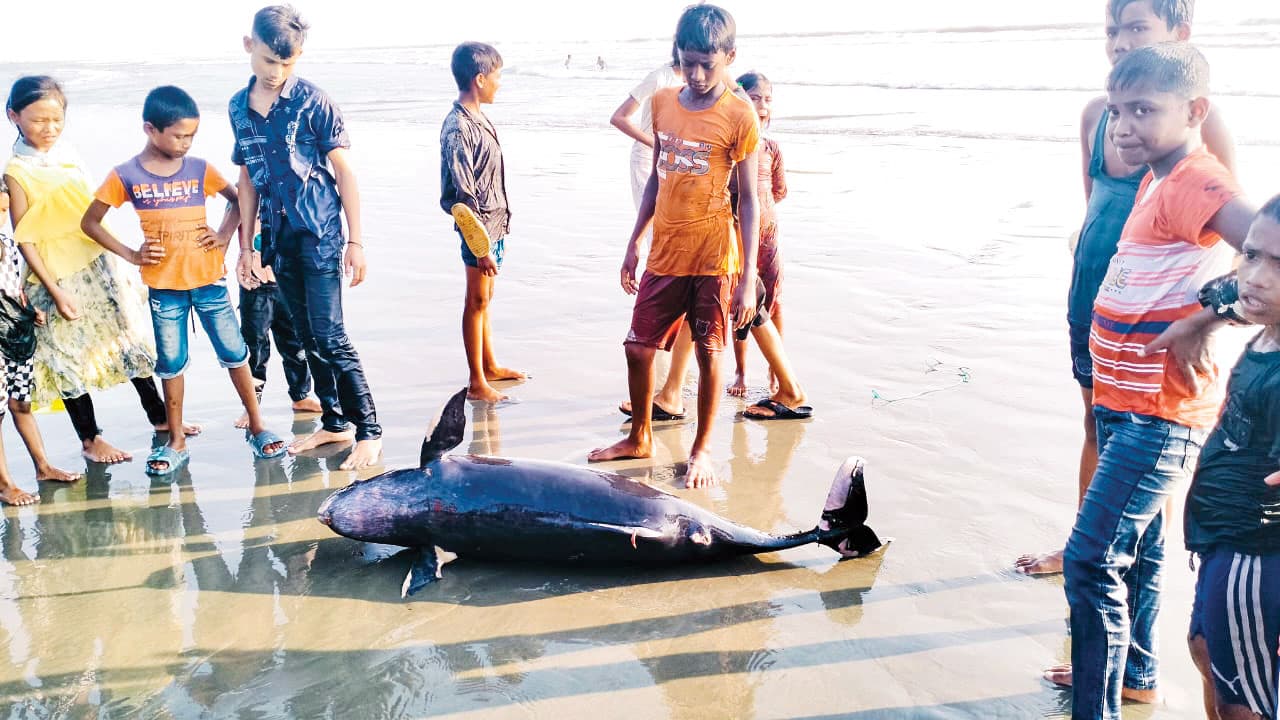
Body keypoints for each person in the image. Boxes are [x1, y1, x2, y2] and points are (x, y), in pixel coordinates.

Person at [1056, 43, 1255, 720]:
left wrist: (1212, 315)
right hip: (1123, 401)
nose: (1124, 127)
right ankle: (1137, 676)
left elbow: (1266, 248)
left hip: (1159, 411)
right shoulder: (1155, 178)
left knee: (1088, 561)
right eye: (1117, 112)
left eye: (1143, 110)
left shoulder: (1197, 179)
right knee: (1136, 556)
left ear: (1195, 110)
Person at [1017, 0, 1236, 577]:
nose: (1119, 42)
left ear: (1179, 33)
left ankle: (1115, 556)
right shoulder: (1098, 115)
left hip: (1163, 324)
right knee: (1097, 425)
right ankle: (1087, 543)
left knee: (1145, 446)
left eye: (1137, 27)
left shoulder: (1197, 125)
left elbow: (1237, 238)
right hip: (1095, 298)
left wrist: (1206, 318)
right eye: (1112, 30)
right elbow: (1096, 205)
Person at [588, 4, 761, 488]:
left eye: (709, 63)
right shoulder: (663, 103)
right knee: (638, 348)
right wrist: (634, 240)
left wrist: (747, 278)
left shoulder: (741, 115)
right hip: (665, 250)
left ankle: (702, 449)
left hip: (712, 258)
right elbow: (656, 179)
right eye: (689, 62)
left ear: (730, 56)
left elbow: (747, 200)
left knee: (709, 352)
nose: (699, 74)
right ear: (678, 58)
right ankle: (639, 435)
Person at [80, 85, 287, 474]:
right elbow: (90, 222)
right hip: (164, 286)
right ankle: (175, 440)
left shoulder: (200, 169)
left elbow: (239, 199)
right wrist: (131, 254)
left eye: (191, 135)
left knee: (235, 353)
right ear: (150, 129)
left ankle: (257, 425)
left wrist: (225, 237)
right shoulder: (125, 174)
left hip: (208, 280)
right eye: (178, 135)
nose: (186, 143)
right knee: (171, 363)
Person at [4, 75, 194, 465]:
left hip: (99, 264)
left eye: (56, 120)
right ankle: (90, 440)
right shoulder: (16, 170)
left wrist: (126, 256)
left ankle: (159, 417)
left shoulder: (69, 153)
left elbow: (93, 215)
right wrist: (55, 291)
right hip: (55, 275)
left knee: (129, 339)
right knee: (67, 358)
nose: (49, 129)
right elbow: (25, 238)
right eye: (39, 120)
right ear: (14, 117)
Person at [229, 5, 382, 470]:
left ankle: (368, 430)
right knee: (305, 337)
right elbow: (248, 180)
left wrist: (356, 242)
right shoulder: (238, 106)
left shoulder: (314, 101)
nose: (279, 72)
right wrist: (249, 246)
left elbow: (345, 172)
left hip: (320, 233)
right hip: (277, 239)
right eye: (272, 61)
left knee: (331, 335)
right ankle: (334, 424)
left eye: (289, 63)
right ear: (249, 46)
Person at [1182, 201, 1280, 720]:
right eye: (1252, 255)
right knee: (1204, 646)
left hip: (1254, 548)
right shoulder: (1264, 326)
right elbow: (1215, 293)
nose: (1258, 277)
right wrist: (1199, 322)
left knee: (1243, 701)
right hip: (1221, 538)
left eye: (1279, 264)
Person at [440, 41, 526, 404]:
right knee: (475, 300)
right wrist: (481, 247)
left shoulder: (478, 117)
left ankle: (489, 364)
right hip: (479, 231)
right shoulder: (459, 127)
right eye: (497, 76)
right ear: (479, 78)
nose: (499, 83)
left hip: (493, 224)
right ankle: (477, 381)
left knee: (484, 298)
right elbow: (461, 200)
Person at [0, 176, 80, 504]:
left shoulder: (8, 238)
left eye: (4, 208)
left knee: (21, 403)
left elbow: (12, 285)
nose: (2, 214)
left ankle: (43, 466)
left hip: (16, 329)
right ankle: (5, 484)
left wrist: (30, 308)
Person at [728, 70, 792, 404]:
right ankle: (740, 370)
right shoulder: (732, 147)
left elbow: (779, 191)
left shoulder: (771, 148)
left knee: (774, 301)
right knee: (742, 305)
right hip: (740, 235)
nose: (763, 105)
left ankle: (775, 370)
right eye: (755, 98)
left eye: (768, 99)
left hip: (769, 235)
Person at [234, 218, 322, 430]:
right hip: (255, 283)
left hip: (289, 281)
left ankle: (300, 395)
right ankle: (251, 405)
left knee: (295, 344)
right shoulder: (246, 196)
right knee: (254, 346)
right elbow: (231, 220)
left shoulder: (292, 192)